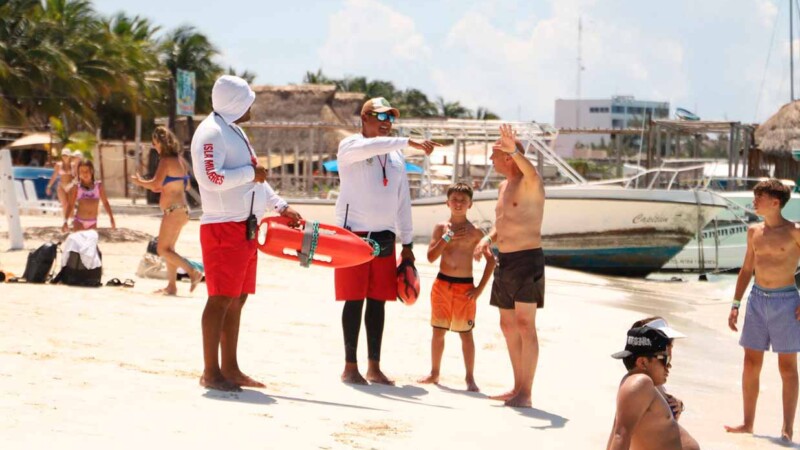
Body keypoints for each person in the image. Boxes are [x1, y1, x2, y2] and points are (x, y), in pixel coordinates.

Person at [191, 75, 302, 392]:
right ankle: (211, 372)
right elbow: (211, 178)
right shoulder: (211, 132)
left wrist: (280, 206)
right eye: (248, 100)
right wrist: (250, 173)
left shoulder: (233, 129)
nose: (252, 105)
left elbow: (257, 179)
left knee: (238, 298)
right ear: (235, 102)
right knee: (220, 298)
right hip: (224, 226)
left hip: (245, 227)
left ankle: (231, 368)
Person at [335, 97, 440, 385]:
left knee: (378, 302)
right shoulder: (350, 147)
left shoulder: (395, 157)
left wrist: (407, 244)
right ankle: (349, 366)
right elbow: (372, 147)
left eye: (390, 119)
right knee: (353, 301)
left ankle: (374, 366)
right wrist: (407, 141)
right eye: (381, 117)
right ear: (364, 118)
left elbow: (402, 201)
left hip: (384, 237)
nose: (386, 123)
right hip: (353, 236)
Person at [473, 124, 545, 408]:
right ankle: (517, 386)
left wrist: (513, 148)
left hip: (528, 259)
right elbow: (503, 222)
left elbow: (531, 171)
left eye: (494, 155)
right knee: (507, 325)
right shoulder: (503, 187)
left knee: (526, 325)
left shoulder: (531, 182)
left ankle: (526, 392)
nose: (491, 160)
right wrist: (487, 240)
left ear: (508, 157)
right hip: (505, 261)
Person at [725, 179, 800, 442]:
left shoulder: (795, 232)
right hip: (757, 300)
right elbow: (747, 269)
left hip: (786, 302)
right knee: (750, 362)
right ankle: (748, 422)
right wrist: (735, 304)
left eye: (759, 197)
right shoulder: (753, 232)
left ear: (775, 202)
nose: (754, 201)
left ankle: (787, 428)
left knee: (787, 366)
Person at [418, 182, 495, 392]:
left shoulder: (476, 232)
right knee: (438, 331)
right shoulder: (441, 228)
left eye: (463, 200)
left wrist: (479, 289)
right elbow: (431, 257)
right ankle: (434, 372)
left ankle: (470, 378)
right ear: (447, 202)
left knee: (466, 333)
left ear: (470, 204)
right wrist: (447, 237)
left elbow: (491, 261)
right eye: (454, 200)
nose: (458, 204)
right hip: (442, 283)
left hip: (465, 287)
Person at [131, 126, 202, 296]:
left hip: (173, 210)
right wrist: (165, 187)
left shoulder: (165, 161)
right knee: (170, 249)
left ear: (160, 143)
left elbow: (155, 184)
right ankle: (171, 286)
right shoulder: (180, 161)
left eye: (155, 143)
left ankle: (192, 271)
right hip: (183, 210)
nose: (154, 147)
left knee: (162, 250)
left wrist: (139, 182)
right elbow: (187, 185)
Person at [607, 326, 700, 450]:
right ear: (642, 362)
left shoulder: (641, 386)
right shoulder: (640, 383)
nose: (669, 366)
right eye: (665, 359)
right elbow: (621, 436)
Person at [630, 317, 686, 421]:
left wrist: (678, 405)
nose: (669, 351)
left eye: (671, 344)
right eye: (665, 345)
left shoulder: (655, 379)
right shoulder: (640, 384)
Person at [63, 160, 115, 232]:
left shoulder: (98, 186)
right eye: (81, 171)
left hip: (92, 222)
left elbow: (105, 202)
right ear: (78, 173)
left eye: (87, 171)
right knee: (79, 242)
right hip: (79, 221)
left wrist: (111, 218)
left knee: (90, 243)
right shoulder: (76, 187)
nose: (84, 173)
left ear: (92, 171)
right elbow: (70, 205)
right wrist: (65, 221)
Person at [47, 148, 77, 217]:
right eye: (63, 155)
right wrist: (49, 186)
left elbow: (76, 176)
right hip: (61, 186)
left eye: (66, 155)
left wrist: (72, 184)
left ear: (69, 156)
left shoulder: (73, 165)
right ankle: (66, 220)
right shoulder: (58, 165)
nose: (64, 157)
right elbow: (54, 176)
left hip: (71, 185)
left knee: (71, 204)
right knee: (64, 204)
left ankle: (71, 220)